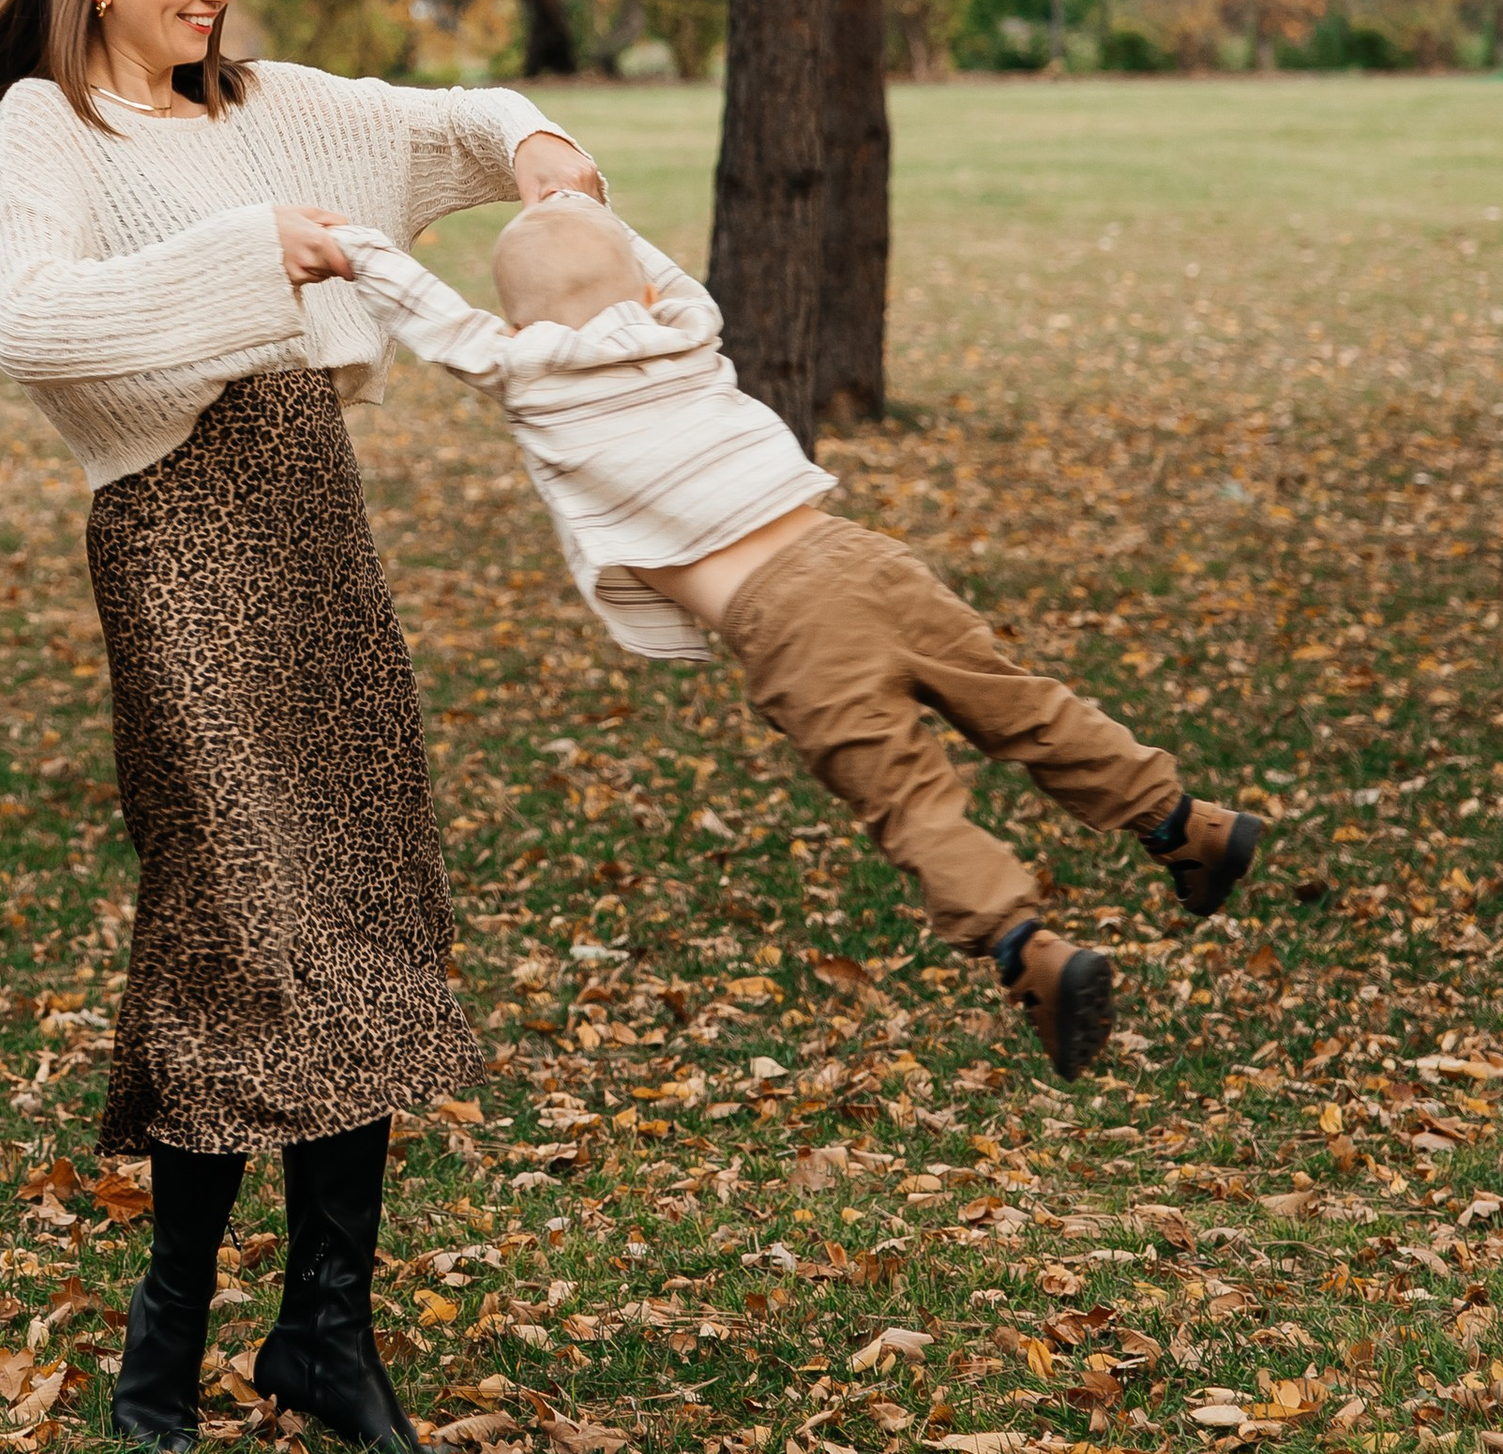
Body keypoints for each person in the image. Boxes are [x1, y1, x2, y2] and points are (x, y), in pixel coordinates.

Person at [0, 0, 604, 1454]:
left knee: (348, 905)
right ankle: (163, 1354)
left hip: (314, 527)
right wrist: (252, 256)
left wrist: (548, 153)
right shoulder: (51, 124)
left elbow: (457, 125)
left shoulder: (268, 104)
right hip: (177, 539)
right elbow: (23, 320)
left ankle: (325, 1333)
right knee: (236, 921)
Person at [330, 193, 1263, 1080]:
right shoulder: (687, 327)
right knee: (1022, 706)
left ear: (521, 323)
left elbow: (436, 317)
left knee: (909, 800)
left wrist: (350, 247)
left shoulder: (532, 377)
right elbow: (656, 271)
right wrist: (592, 204)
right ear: (646, 288)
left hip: (789, 626)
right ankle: (1185, 822)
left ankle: (1030, 950)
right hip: (860, 556)